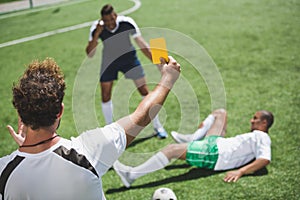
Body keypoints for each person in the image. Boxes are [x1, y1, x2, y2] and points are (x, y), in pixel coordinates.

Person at [0, 56, 181, 199]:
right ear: (60, 111)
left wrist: (26, 150)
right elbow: (141, 116)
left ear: (20, 114)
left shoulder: (4, 172)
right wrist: (168, 78)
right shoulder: (87, 151)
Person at [113, 109, 274, 187]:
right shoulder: (257, 136)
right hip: (216, 143)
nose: (252, 120)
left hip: (215, 153)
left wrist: (240, 171)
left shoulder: (263, 137)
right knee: (221, 113)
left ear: (264, 123)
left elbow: (264, 159)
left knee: (172, 150)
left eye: (256, 118)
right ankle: (192, 138)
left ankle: (131, 175)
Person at [85, 4, 167, 138]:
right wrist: (98, 34)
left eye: (112, 19)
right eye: (106, 21)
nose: (110, 24)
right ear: (102, 20)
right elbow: (90, 53)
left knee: (144, 91)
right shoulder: (96, 28)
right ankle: (110, 134)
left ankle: (158, 126)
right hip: (109, 61)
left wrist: (158, 61)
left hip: (129, 59)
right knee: (105, 95)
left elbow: (142, 44)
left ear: (115, 16)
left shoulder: (127, 23)